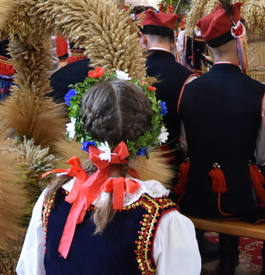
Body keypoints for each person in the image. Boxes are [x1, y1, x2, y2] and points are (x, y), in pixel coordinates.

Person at [16, 75, 201, 275]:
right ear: (149, 137)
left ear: (82, 133)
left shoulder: (52, 199)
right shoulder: (162, 220)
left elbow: (31, 270)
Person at [176, 2, 265, 275]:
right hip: (242, 197)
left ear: (208, 48)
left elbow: (186, 143)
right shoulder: (260, 92)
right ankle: (249, 261)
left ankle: (221, 260)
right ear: (240, 40)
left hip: (197, 192)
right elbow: (263, 155)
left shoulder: (189, 86)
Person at [137, 9, 195, 163]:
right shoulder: (188, 78)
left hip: (132, 158)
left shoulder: (127, 70)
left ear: (143, 39)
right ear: (173, 42)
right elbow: (188, 131)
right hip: (171, 158)